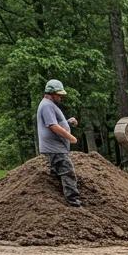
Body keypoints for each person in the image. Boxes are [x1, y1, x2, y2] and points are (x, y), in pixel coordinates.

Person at [36, 79, 82, 207]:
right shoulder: (46, 105)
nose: (61, 97)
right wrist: (71, 137)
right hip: (54, 148)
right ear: (51, 93)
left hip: (56, 148)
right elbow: (52, 126)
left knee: (58, 173)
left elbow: (56, 123)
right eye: (59, 94)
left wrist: (67, 122)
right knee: (68, 172)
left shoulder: (49, 105)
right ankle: (74, 202)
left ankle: (59, 202)